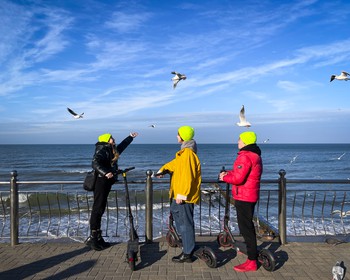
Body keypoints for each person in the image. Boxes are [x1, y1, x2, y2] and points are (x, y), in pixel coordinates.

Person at [85, 132, 138, 251]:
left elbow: (122, 146)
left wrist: (130, 137)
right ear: (106, 140)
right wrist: (105, 172)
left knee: (101, 208)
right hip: (100, 182)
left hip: (106, 182)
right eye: (111, 138)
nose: (113, 139)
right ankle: (94, 238)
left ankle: (98, 237)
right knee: (97, 208)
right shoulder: (102, 149)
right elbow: (94, 163)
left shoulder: (111, 149)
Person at [218, 131, 262, 272]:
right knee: (247, 227)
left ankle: (252, 261)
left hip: (244, 197)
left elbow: (238, 179)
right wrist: (229, 173)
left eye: (239, 139)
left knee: (246, 229)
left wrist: (224, 178)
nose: (237, 142)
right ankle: (252, 256)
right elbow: (242, 174)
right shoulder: (255, 155)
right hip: (250, 195)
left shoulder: (245, 157)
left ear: (245, 141)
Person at [156, 126, 201, 263]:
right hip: (181, 195)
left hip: (183, 196)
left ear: (182, 136)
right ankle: (189, 243)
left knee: (185, 223)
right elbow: (174, 165)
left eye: (178, 134)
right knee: (179, 216)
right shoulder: (184, 153)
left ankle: (188, 253)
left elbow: (187, 176)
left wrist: (181, 194)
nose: (176, 137)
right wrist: (163, 170)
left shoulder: (187, 153)